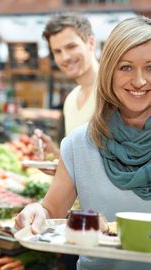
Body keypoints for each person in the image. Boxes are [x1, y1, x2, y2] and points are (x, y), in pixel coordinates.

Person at [16, 16, 151, 270]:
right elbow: (50, 211)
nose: (139, 81)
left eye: (150, 67)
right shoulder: (79, 144)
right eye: (125, 67)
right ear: (109, 72)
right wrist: (36, 212)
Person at [32, 13, 99, 160]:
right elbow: (79, 162)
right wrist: (54, 154)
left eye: (71, 46)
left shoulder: (114, 91)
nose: (65, 57)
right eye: (57, 51)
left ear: (91, 43)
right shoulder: (71, 99)